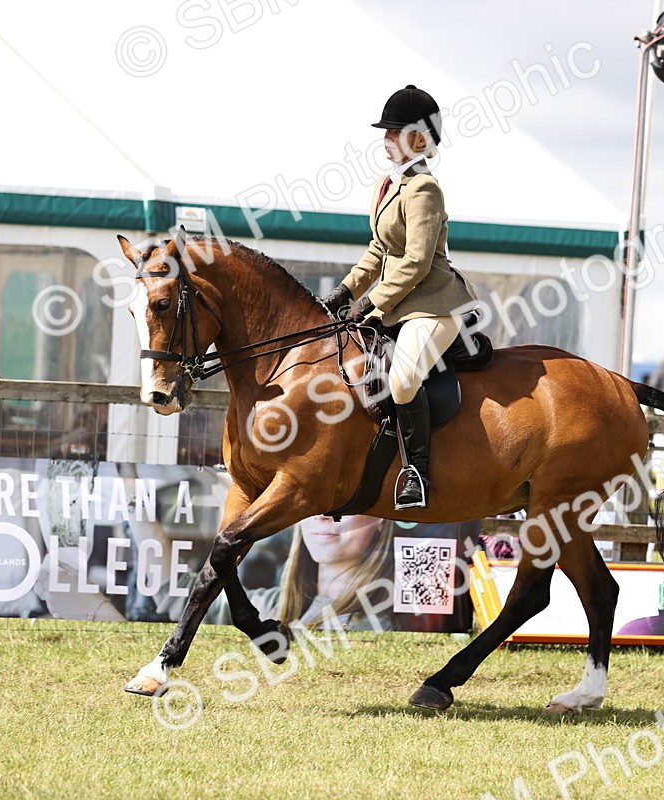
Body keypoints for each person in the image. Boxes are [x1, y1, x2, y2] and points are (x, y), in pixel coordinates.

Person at [320, 85, 479, 510]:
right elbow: (378, 251)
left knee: (403, 378)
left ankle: (417, 474)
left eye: (395, 131)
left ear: (420, 139)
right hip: (397, 304)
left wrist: (371, 304)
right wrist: (344, 292)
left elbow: (417, 262)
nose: (386, 138)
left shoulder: (425, 188)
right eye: (386, 131)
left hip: (433, 304)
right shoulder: (386, 185)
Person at [207, 514, 395, 631]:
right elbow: (189, 596)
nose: (323, 515)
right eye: (313, 501)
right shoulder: (271, 604)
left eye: (345, 504)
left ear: (381, 518)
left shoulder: (373, 626)